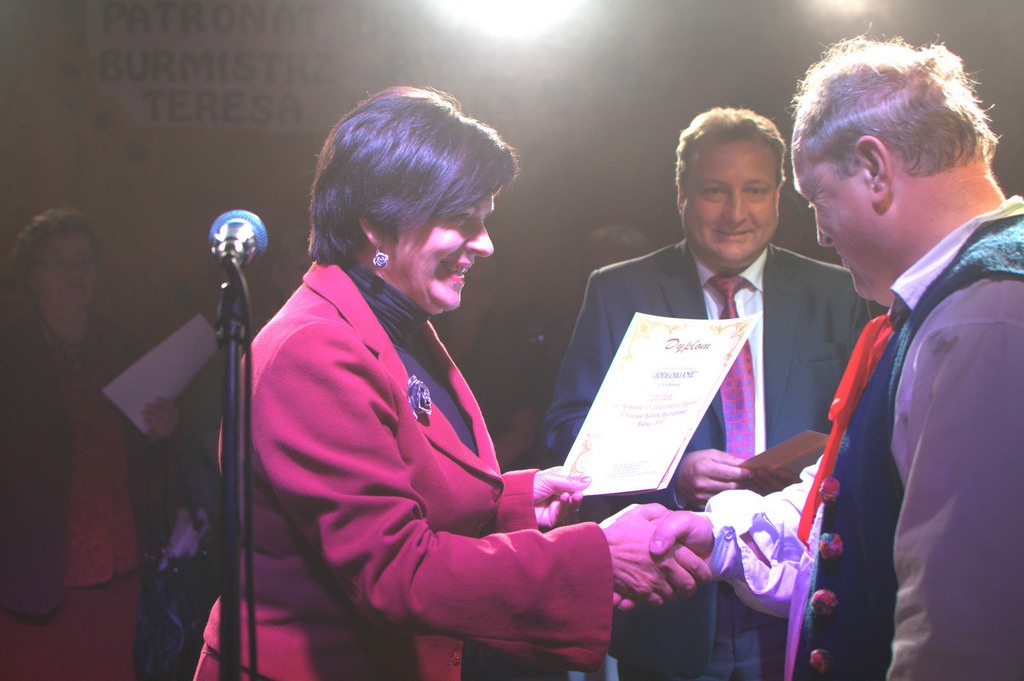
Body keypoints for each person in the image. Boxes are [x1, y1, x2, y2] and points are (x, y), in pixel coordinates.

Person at [192, 86, 709, 681]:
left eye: (484, 220)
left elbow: (411, 493)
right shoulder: (312, 351)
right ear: (375, 224)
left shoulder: (394, 325)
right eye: (463, 220)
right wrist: (600, 556)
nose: (485, 244)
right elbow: (396, 572)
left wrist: (519, 502)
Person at [650, 36, 1024, 681]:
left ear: (875, 169)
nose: (820, 233)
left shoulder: (983, 315)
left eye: (818, 200)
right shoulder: (956, 301)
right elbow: (856, 513)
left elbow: (964, 633)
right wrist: (722, 536)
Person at [544, 108, 869, 681]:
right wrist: (673, 472)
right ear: (682, 196)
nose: (736, 212)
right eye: (716, 191)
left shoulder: (839, 292)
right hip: (673, 591)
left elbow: (865, 432)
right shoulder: (620, 289)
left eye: (755, 190)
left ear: (779, 197)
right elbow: (568, 431)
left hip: (796, 583)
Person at [0, 208, 179, 679]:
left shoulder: (122, 347)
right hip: (29, 576)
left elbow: (145, 460)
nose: (72, 272)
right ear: (31, 277)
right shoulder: (9, 351)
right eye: (56, 261)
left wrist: (161, 433)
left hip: (118, 568)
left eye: (82, 260)